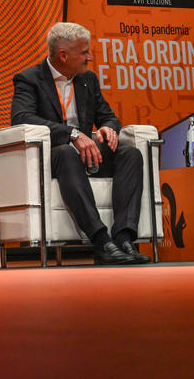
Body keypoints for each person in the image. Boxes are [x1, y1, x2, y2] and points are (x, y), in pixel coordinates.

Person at [11, 22, 148, 265]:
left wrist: (108, 128)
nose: (90, 57)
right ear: (63, 55)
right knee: (66, 152)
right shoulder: (30, 79)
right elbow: (21, 118)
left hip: (88, 155)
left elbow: (108, 116)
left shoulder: (87, 79)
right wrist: (72, 134)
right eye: (84, 52)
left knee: (130, 154)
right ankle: (101, 240)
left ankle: (124, 238)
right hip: (55, 157)